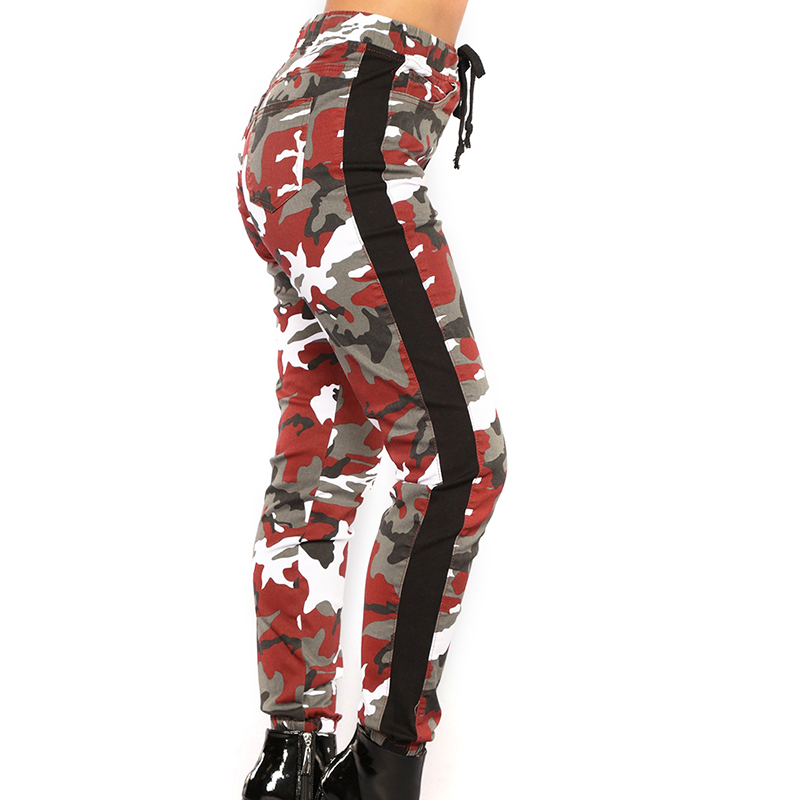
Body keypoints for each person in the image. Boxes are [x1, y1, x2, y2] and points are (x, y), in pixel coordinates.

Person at [235, 4, 508, 798]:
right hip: (358, 111)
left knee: (321, 468)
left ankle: (291, 761)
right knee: (461, 463)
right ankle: (383, 770)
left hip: (302, 113)